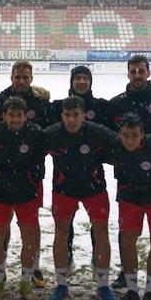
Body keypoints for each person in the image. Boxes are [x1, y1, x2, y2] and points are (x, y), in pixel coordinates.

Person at [109, 55, 151, 291]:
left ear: (148, 72)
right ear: (128, 74)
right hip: (128, 177)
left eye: (141, 71)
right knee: (127, 233)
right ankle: (125, 274)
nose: (137, 75)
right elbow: (110, 139)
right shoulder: (117, 103)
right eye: (133, 71)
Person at [44, 96, 115, 300]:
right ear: (62, 116)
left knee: (101, 231)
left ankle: (103, 285)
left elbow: (121, 149)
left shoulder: (98, 133)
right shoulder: (51, 134)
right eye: (67, 115)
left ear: (84, 115)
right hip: (63, 190)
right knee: (61, 232)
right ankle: (61, 285)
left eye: (76, 115)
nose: (71, 119)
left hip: (95, 190)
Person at [105, 113, 151, 300]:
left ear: (142, 134)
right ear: (119, 134)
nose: (129, 140)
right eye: (125, 135)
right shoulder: (114, 145)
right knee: (127, 241)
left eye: (134, 135)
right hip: (129, 198)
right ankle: (132, 291)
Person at [50, 65, 113, 277]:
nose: (82, 82)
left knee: (99, 229)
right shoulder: (57, 108)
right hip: (64, 181)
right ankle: (65, 262)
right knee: (63, 229)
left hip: (93, 179)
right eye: (78, 78)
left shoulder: (102, 107)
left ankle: (99, 264)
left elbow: (115, 138)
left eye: (86, 78)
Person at [0, 60, 51, 288]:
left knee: (31, 225)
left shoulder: (40, 103)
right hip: (3, 174)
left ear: (31, 79)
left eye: (25, 77)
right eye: (17, 77)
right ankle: (2, 267)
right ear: (11, 77)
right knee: (2, 226)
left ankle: (34, 267)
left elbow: (50, 130)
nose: (20, 81)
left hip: (32, 175)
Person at [0, 96, 45, 300]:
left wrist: (33, 179)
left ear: (25, 116)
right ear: (4, 115)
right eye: (11, 115)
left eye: (19, 115)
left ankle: (26, 280)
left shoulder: (36, 133)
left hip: (26, 193)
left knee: (29, 238)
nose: (15, 119)